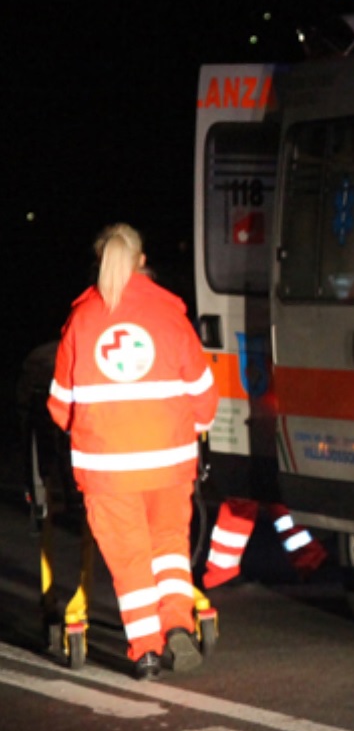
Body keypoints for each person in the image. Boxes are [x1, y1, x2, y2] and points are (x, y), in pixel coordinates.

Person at [47, 224, 218, 680]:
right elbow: (204, 393)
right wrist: (191, 430)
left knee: (130, 560)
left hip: (108, 469)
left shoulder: (82, 321)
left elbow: (59, 406)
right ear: (143, 260)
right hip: (169, 462)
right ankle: (178, 625)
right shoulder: (170, 313)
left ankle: (145, 650)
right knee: (169, 548)